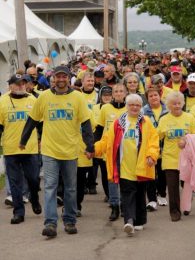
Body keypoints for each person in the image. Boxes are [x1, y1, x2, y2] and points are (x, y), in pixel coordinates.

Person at [20, 66, 94, 238]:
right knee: (50, 187)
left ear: (69, 78)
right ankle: (50, 223)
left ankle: (69, 220)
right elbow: (32, 119)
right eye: (58, 76)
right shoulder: (44, 97)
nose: (61, 79)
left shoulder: (77, 97)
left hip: (70, 151)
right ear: (53, 78)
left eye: (64, 77)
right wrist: (23, 140)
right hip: (49, 150)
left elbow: (85, 124)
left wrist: (90, 146)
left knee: (70, 188)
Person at [95, 94, 159, 236]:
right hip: (124, 167)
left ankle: (140, 221)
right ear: (127, 106)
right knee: (127, 194)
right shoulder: (118, 123)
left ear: (140, 107)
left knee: (140, 195)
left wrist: (151, 155)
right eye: (131, 105)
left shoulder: (146, 122)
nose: (134, 107)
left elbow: (153, 141)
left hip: (141, 166)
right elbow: (106, 140)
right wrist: (94, 149)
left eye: (137, 105)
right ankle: (129, 221)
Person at [0, 74, 41, 224]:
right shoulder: (2, 101)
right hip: (11, 150)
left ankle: (34, 198)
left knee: (33, 179)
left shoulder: (33, 100)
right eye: (17, 84)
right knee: (15, 182)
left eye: (23, 83)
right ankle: (18, 212)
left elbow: (40, 123)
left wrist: (41, 139)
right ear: (10, 86)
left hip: (30, 149)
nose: (21, 86)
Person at [157, 91, 195, 222]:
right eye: (174, 104)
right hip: (170, 158)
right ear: (169, 105)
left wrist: (186, 140)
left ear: (183, 103)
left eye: (179, 103)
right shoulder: (164, 119)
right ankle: (174, 211)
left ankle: (186, 203)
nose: (177, 106)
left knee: (185, 184)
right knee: (172, 186)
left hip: (187, 159)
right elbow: (157, 138)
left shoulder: (189, 118)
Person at [95, 83, 127, 221]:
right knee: (112, 179)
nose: (119, 94)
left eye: (121, 91)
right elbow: (99, 129)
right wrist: (94, 146)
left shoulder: (130, 108)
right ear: (112, 94)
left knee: (126, 179)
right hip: (110, 149)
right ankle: (114, 206)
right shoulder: (105, 108)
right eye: (116, 91)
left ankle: (125, 206)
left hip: (126, 150)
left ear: (125, 93)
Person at [143, 86, 168, 211]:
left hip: (165, 147)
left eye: (155, 95)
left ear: (160, 96)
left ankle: (162, 195)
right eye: (150, 96)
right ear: (147, 99)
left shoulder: (167, 110)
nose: (153, 97)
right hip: (149, 147)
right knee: (151, 174)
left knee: (163, 173)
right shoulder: (143, 111)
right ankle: (152, 199)